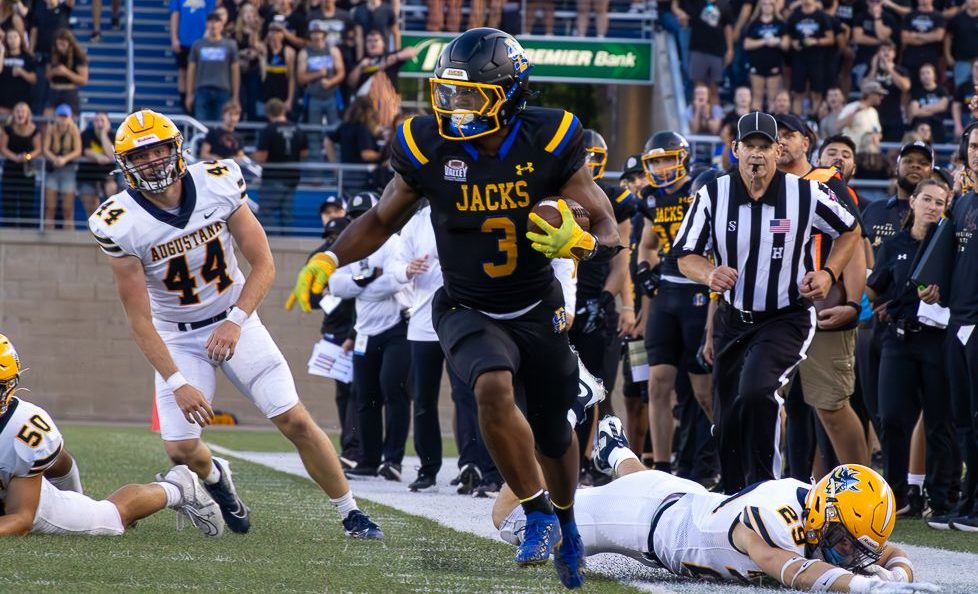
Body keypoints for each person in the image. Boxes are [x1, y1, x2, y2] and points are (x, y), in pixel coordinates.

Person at [286, 28, 623, 589]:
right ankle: (537, 512)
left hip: (536, 307)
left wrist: (581, 243)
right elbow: (381, 218)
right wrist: (329, 257)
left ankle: (566, 519)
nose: (454, 107)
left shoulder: (551, 137)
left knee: (556, 434)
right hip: (466, 305)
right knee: (490, 384)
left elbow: (609, 223)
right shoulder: (429, 144)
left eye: (470, 96)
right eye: (449, 93)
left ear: (511, 94)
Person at [88, 109, 383, 541]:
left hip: (235, 320)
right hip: (178, 336)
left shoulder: (218, 181)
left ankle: (352, 513)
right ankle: (215, 479)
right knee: (180, 448)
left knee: (294, 421)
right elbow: (139, 319)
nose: (152, 161)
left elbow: (263, 262)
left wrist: (236, 321)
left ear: (177, 149)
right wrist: (176, 382)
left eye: (158, 150)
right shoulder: (119, 222)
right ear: (125, 165)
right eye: (140, 155)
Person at [493, 416, 939, 594]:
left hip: (686, 499)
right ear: (823, 514)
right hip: (644, 522)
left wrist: (896, 573)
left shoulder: (832, 516)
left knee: (648, 482)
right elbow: (784, 566)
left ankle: (616, 453)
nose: (847, 552)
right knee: (510, 519)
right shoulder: (773, 520)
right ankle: (546, 426)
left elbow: (885, 550)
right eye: (841, 539)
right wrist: (863, 586)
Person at [676, 111, 860, 494]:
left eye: (764, 147)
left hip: (786, 315)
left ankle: (764, 489)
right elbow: (685, 254)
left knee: (758, 391)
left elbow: (850, 229)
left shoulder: (804, 193)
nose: (756, 155)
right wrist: (709, 273)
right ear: (734, 150)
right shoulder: (712, 195)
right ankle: (732, 493)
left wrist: (827, 273)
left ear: (778, 151)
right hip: (733, 317)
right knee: (726, 416)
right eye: (749, 146)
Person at [0, 334, 225, 538]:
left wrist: (74, 496)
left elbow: (21, 519)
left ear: (9, 386)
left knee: (111, 516)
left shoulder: (24, 429)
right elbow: (58, 460)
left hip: (33, 504)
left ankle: (176, 489)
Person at [775, 116, 869, 471]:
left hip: (821, 306)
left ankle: (863, 491)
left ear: (806, 141)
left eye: (789, 135)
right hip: (775, 309)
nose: (781, 142)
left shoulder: (827, 181)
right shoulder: (764, 186)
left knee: (831, 407)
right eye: (776, 136)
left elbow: (854, 240)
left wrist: (851, 303)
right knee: (766, 404)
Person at [866, 178, 954, 519]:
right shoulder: (893, 244)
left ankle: (941, 497)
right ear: (913, 201)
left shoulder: (950, 245)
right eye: (927, 199)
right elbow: (875, 289)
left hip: (936, 340)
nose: (932, 207)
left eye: (939, 202)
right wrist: (854, 306)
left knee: (938, 421)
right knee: (890, 417)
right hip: (898, 339)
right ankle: (896, 494)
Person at [637, 131, 715, 480]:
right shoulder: (651, 197)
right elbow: (648, 244)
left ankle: (730, 449)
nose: (663, 167)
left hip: (699, 291)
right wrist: (644, 270)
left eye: (668, 159)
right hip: (667, 293)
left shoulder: (699, 188)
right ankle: (662, 467)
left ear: (682, 158)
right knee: (657, 381)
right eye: (655, 161)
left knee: (703, 390)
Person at [327, 191, 411, 482]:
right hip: (364, 329)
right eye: (354, 217)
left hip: (395, 326)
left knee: (394, 391)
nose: (358, 221)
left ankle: (393, 460)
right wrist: (365, 280)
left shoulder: (392, 242)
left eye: (364, 214)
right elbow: (335, 285)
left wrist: (360, 286)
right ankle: (369, 458)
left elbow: (391, 282)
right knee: (365, 397)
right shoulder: (350, 245)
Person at [252, 97, 309, 232]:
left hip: (273, 177)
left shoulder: (268, 130)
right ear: (283, 110)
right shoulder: (297, 129)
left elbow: (262, 156)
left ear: (268, 113)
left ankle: (271, 245)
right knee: (287, 215)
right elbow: (305, 153)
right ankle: (286, 241)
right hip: (292, 178)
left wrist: (248, 156)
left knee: (266, 214)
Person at [187, 12, 240, 122]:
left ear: (222, 25)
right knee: (201, 126)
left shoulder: (230, 45)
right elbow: (191, 70)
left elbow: (235, 71)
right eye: (210, 22)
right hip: (202, 90)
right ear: (206, 24)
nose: (213, 25)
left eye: (216, 22)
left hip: (223, 90)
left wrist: (235, 96)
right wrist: (189, 94)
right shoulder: (198, 45)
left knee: (220, 126)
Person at [787, 0, 836, 115]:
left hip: (817, 59)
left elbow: (830, 39)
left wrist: (815, 41)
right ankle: (796, 122)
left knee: (817, 92)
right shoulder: (795, 16)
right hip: (799, 58)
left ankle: (814, 121)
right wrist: (793, 43)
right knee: (798, 92)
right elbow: (787, 36)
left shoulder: (821, 16)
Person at [170, 0, 216, 113]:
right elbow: (175, 15)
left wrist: (206, 39)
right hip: (184, 41)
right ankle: (185, 106)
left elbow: (211, 16)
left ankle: (195, 104)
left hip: (201, 41)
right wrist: (174, 38)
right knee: (183, 72)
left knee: (198, 74)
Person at [42, 103, 82, 230]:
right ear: (56, 116)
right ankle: (48, 237)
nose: (63, 119)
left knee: (68, 209)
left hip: (68, 170)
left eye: (65, 116)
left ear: (70, 117)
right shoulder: (51, 128)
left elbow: (78, 150)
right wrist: (56, 159)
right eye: (60, 116)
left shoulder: (74, 129)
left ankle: (70, 237)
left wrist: (64, 159)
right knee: (50, 208)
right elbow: (45, 149)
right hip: (53, 169)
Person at [0, 101, 40, 227]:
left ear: (28, 114)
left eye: (23, 111)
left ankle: (26, 229)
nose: (20, 114)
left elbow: (38, 149)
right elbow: (3, 148)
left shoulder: (34, 130)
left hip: (27, 170)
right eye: (18, 111)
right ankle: (9, 229)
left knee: (27, 201)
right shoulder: (8, 129)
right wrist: (14, 158)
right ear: (14, 114)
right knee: (9, 201)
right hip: (11, 169)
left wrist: (27, 157)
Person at [298, 21, 345, 128]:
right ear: (309, 34)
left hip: (331, 96)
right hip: (314, 97)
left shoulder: (333, 50)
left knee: (335, 128)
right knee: (314, 130)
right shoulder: (304, 53)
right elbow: (300, 78)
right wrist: (318, 74)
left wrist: (331, 82)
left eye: (319, 32)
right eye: (314, 32)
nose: (317, 35)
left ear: (324, 34)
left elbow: (341, 72)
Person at [686, 0, 734, 100]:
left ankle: (715, 114)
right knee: (698, 88)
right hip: (698, 49)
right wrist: (678, 11)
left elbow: (728, 27)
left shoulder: (724, 4)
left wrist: (730, 49)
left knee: (714, 88)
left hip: (717, 51)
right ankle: (698, 113)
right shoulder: (696, 2)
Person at [743, 0, 786, 112]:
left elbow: (786, 44)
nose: (767, 7)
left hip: (774, 63)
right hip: (757, 62)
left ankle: (771, 124)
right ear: (760, 6)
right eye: (765, 4)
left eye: (770, 4)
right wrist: (764, 41)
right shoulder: (754, 23)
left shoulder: (780, 23)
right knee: (757, 95)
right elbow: (747, 44)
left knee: (772, 97)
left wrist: (777, 41)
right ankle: (756, 125)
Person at [77, 111, 118, 216]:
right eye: (97, 120)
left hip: (107, 176)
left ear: (108, 123)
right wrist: (98, 156)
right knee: (92, 208)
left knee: (112, 194)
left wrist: (104, 134)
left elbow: (111, 154)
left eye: (102, 120)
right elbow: (86, 151)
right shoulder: (86, 133)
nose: (99, 123)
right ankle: (93, 229)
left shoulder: (113, 136)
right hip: (88, 176)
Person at [852, 0, 900, 86]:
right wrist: (879, 42)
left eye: (877, 1)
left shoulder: (888, 18)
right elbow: (858, 38)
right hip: (863, 58)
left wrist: (877, 17)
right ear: (867, 2)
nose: (874, 4)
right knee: (861, 85)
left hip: (884, 61)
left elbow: (882, 35)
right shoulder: (861, 16)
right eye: (872, 1)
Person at [900, 0, 945, 87]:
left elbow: (938, 36)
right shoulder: (910, 15)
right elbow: (904, 38)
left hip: (931, 57)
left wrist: (916, 35)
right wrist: (929, 37)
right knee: (908, 87)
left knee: (931, 86)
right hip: (911, 58)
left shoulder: (938, 16)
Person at [232, 3, 263, 121]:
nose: (249, 15)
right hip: (240, 71)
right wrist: (242, 53)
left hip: (255, 70)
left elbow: (264, 49)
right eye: (246, 12)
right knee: (241, 99)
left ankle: (251, 129)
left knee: (252, 100)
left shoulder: (260, 31)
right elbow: (233, 51)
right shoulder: (236, 32)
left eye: (252, 12)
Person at [836, 79, 887, 150]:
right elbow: (838, 125)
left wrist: (876, 136)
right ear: (870, 94)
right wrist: (855, 111)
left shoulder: (873, 112)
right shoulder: (852, 107)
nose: (881, 97)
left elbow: (878, 132)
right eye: (879, 94)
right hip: (854, 151)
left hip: (868, 154)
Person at [259, 21, 296, 115]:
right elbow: (254, 44)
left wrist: (290, 99)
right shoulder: (264, 50)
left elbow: (291, 78)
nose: (274, 35)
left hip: (282, 93)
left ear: (282, 35)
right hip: (267, 94)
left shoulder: (288, 52)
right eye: (271, 32)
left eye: (277, 32)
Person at [908, 64, 950, 144]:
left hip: (937, 126)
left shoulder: (942, 90)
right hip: (919, 126)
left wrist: (923, 108)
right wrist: (934, 110)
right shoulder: (916, 92)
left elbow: (942, 107)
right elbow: (915, 112)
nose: (925, 75)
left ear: (934, 75)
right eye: (922, 73)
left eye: (928, 73)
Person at [0, 28, 36, 117]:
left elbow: (34, 79)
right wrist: (1, 52)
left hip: (22, 101)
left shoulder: (27, 57)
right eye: (10, 38)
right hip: (4, 101)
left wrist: (22, 72)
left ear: (20, 39)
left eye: (15, 37)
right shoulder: (3, 55)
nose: (12, 40)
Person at [946, 0, 978, 88]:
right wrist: (948, 55)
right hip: (962, 61)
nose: (973, 1)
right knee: (960, 89)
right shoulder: (957, 18)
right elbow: (948, 37)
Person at [952, 59, 978, 137]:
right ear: (972, 69)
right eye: (976, 67)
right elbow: (956, 106)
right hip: (967, 119)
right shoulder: (963, 86)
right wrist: (958, 125)